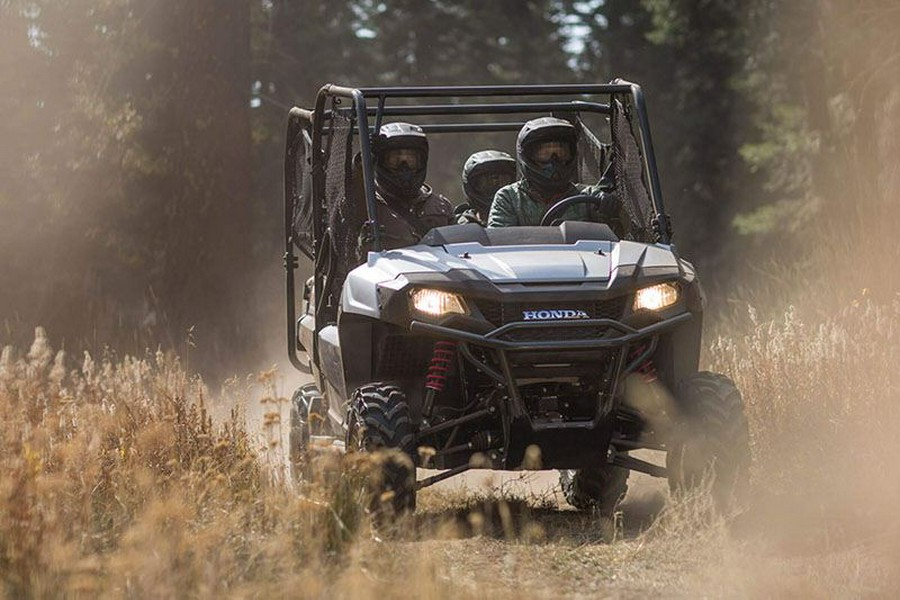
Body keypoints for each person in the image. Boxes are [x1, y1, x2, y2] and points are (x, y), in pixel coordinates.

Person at [487, 117, 630, 237]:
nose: (553, 160)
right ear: (527, 156)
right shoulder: (509, 197)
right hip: (523, 267)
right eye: (545, 153)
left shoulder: (590, 197)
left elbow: (615, 242)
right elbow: (499, 244)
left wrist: (611, 213)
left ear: (571, 154)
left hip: (581, 267)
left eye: (561, 152)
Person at [365, 122, 454, 250]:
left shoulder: (441, 207)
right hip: (384, 269)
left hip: (432, 269)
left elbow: (459, 251)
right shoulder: (368, 203)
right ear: (380, 162)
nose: (404, 167)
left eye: (411, 160)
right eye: (395, 160)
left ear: (421, 162)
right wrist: (364, 159)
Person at [454, 150, 517, 226]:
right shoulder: (459, 225)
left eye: (505, 181)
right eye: (491, 182)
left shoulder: (524, 218)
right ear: (473, 187)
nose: (499, 190)